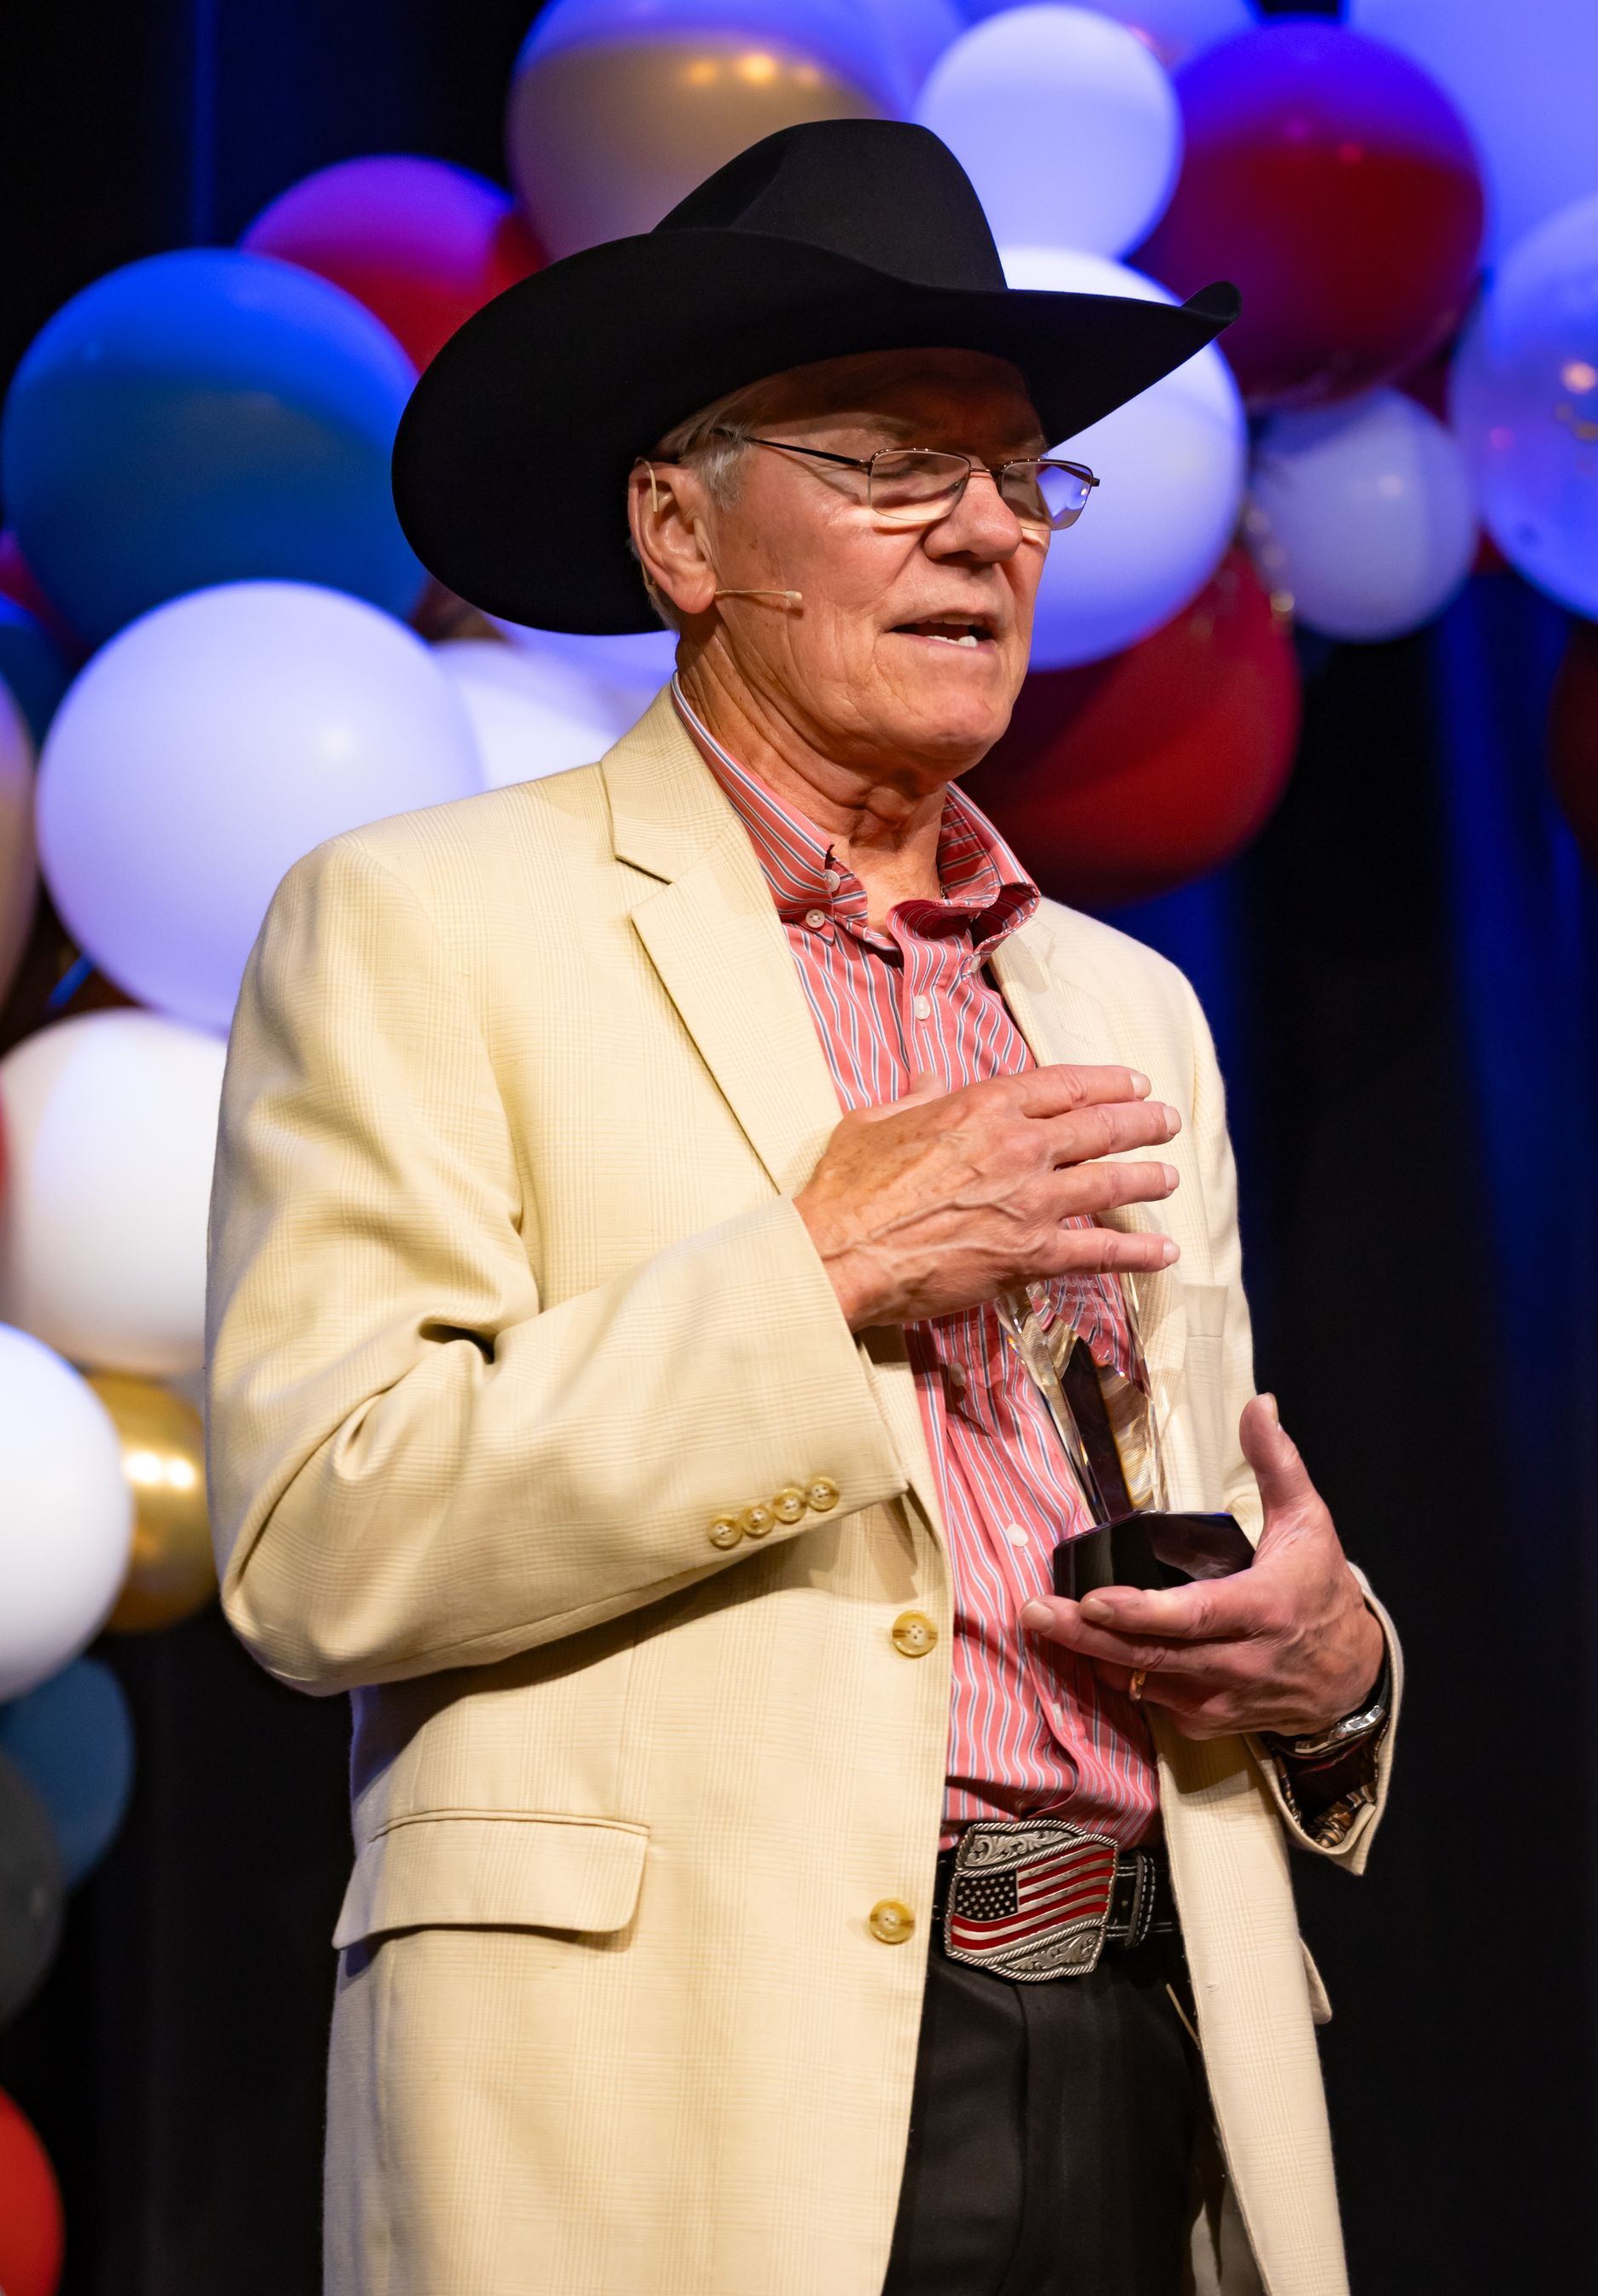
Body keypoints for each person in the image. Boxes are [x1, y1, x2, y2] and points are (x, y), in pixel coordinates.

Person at [205, 120, 1400, 2296]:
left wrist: (1322, 1671)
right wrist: (816, 1277)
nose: (984, 532)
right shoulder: (424, 921)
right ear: (682, 529)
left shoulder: (1122, 1001)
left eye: (1025, 475)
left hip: (1149, 2054)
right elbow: (319, 1536)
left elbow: (1195, 1530)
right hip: (684, 2097)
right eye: (887, 461)